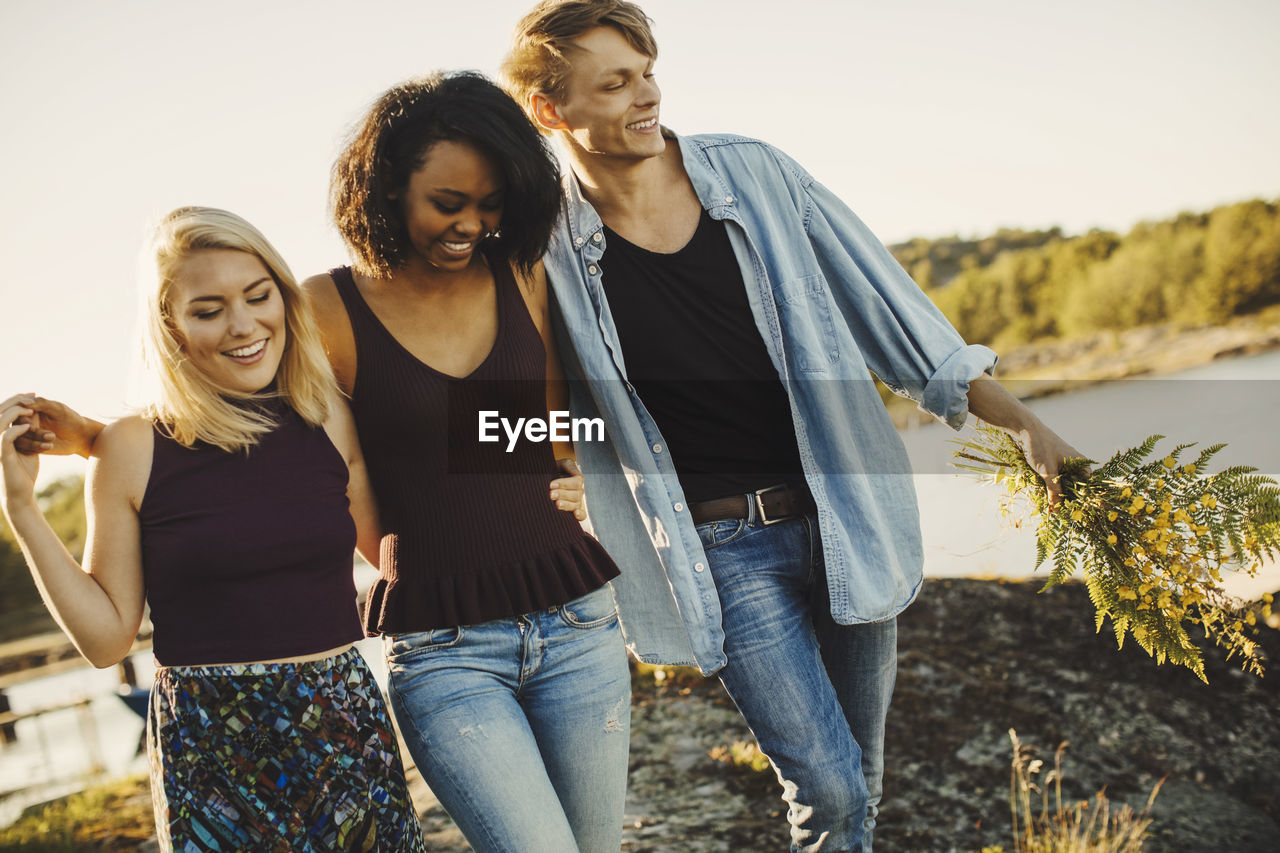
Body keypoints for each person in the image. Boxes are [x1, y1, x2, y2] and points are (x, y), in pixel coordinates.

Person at [501, 2, 1083, 851]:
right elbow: (519, 388)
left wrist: (1025, 426)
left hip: (844, 511)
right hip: (719, 548)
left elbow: (891, 310)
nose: (646, 95)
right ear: (551, 110)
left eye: (649, 71)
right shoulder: (542, 242)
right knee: (831, 786)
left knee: (861, 778)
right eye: (615, 82)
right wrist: (533, 467)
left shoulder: (758, 176)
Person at [0, 207, 426, 851]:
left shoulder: (325, 416)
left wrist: (559, 473)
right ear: (169, 328)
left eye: (259, 296)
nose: (244, 325)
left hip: (343, 726)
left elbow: (399, 547)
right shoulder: (130, 448)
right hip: (209, 745)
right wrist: (23, 513)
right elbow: (107, 641)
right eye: (208, 310)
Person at [298, 71, 630, 853]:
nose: (471, 225)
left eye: (489, 204)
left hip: (577, 621)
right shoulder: (324, 309)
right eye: (448, 203)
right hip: (444, 651)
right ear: (384, 189)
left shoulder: (521, 273)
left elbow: (550, 424)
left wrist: (591, 475)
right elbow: (334, 476)